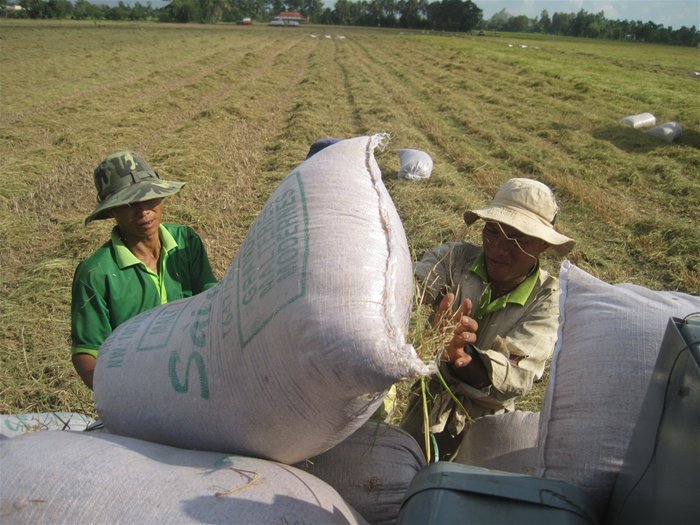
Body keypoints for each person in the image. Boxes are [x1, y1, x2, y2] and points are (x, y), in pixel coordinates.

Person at [400, 177, 575, 461]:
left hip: (486, 428)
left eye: (518, 238)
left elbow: (516, 375)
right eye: (492, 232)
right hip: (425, 404)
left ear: (542, 245)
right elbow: (409, 289)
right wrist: (416, 310)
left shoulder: (548, 299)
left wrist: (462, 355)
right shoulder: (455, 259)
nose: (497, 249)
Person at [71, 151, 217, 390]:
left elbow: (212, 302)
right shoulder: (97, 273)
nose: (143, 211)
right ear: (112, 211)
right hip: (138, 383)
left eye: (149, 197)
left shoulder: (186, 242)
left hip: (196, 369)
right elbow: (87, 352)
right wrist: (118, 393)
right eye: (128, 204)